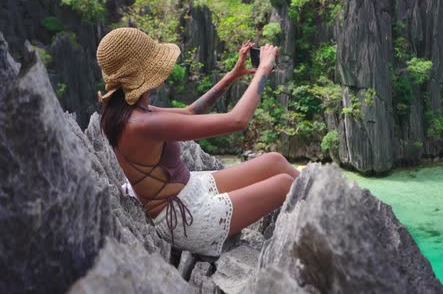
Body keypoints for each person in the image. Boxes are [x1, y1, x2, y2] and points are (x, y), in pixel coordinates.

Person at [96, 27, 301, 257]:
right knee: (285, 184)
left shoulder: (128, 113)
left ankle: (335, 211)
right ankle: (331, 221)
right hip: (186, 218)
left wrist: (231, 76)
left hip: (189, 190)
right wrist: (263, 70)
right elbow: (237, 120)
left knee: (274, 161)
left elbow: (191, 112)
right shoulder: (141, 123)